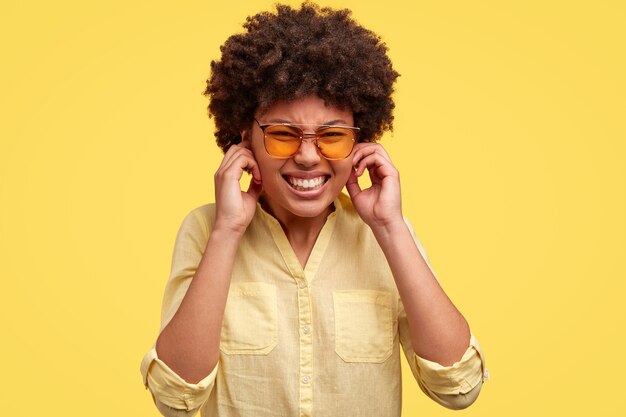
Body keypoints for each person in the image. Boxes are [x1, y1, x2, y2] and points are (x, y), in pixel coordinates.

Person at [140, 2, 488, 416]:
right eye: (283, 135)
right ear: (244, 139)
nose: (308, 156)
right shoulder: (207, 230)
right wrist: (228, 230)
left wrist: (391, 228)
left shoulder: (387, 236)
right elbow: (176, 396)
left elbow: (458, 388)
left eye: (333, 136)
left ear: (361, 143)